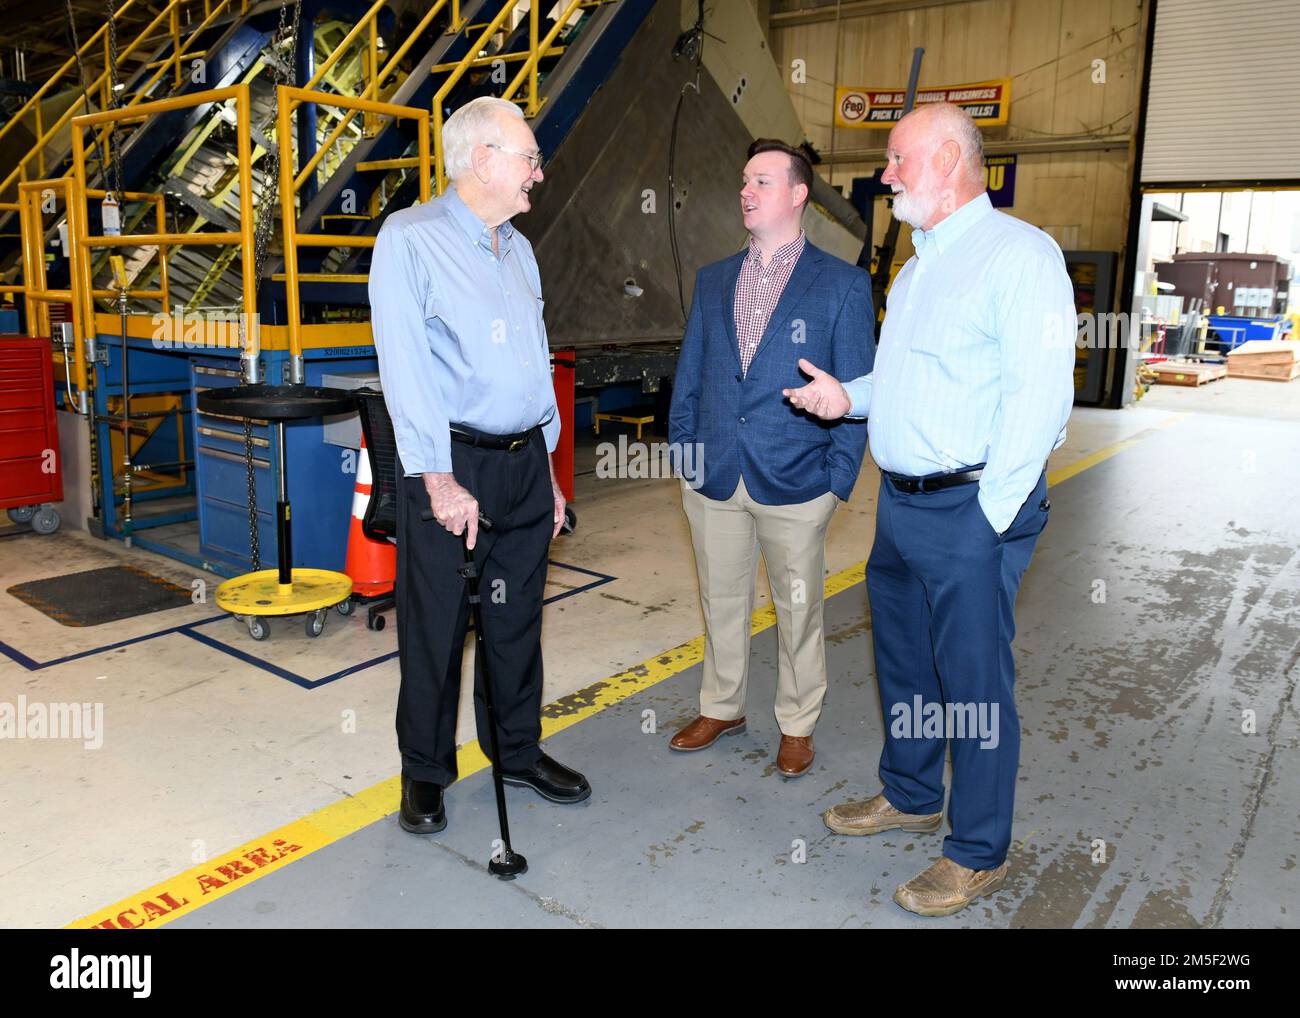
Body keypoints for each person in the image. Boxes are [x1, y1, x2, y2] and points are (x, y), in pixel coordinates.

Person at [783, 102, 1075, 915]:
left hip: (972, 509)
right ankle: (910, 793)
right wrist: (848, 398)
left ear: (947, 160)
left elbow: (1042, 398)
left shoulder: (1019, 257)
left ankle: (978, 849)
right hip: (903, 508)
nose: (886, 175)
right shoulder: (915, 270)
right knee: (906, 663)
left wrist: (988, 519)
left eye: (898, 159)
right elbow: (907, 385)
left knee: (975, 683)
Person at [369, 96, 591, 836]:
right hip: (451, 463)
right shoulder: (409, 239)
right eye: (528, 157)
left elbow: (532, 362)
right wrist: (437, 478)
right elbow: (406, 371)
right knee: (435, 627)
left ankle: (518, 752)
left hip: (525, 460)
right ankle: (425, 773)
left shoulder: (517, 247)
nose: (538, 170)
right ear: (482, 161)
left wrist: (553, 472)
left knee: (516, 618)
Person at [667, 139, 874, 777]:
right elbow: (692, 372)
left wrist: (836, 483)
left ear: (797, 194)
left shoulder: (841, 284)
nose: (746, 192)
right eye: (744, 181)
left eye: (761, 181)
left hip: (797, 480)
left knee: (798, 608)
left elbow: (859, 389)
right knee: (721, 600)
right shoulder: (713, 279)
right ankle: (722, 705)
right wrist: (685, 454)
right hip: (716, 475)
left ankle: (797, 721)